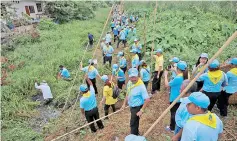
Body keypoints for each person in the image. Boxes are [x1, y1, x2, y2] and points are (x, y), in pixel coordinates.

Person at [121, 68, 150, 135]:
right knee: (135, 122)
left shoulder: (141, 86)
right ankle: (136, 133)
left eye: (135, 77)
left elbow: (147, 99)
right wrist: (124, 104)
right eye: (131, 77)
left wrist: (141, 110)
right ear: (129, 77)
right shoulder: (129, 83)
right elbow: (127, 93)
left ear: (138, 76)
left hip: (137, 107)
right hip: (131, 105)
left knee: (133, 123)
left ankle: (134, 136)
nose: (133, 79)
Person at [164, 61, 188, 132]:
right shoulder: (184, 75)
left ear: (178, 69)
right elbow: (179, 74)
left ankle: (172, 128)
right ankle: (177, 125)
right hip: (180, 98)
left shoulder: (178, 78)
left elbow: (167, 85)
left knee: (173, 113)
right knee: (178, 112)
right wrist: (174, 70)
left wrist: (165, 75)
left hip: (175, 98)